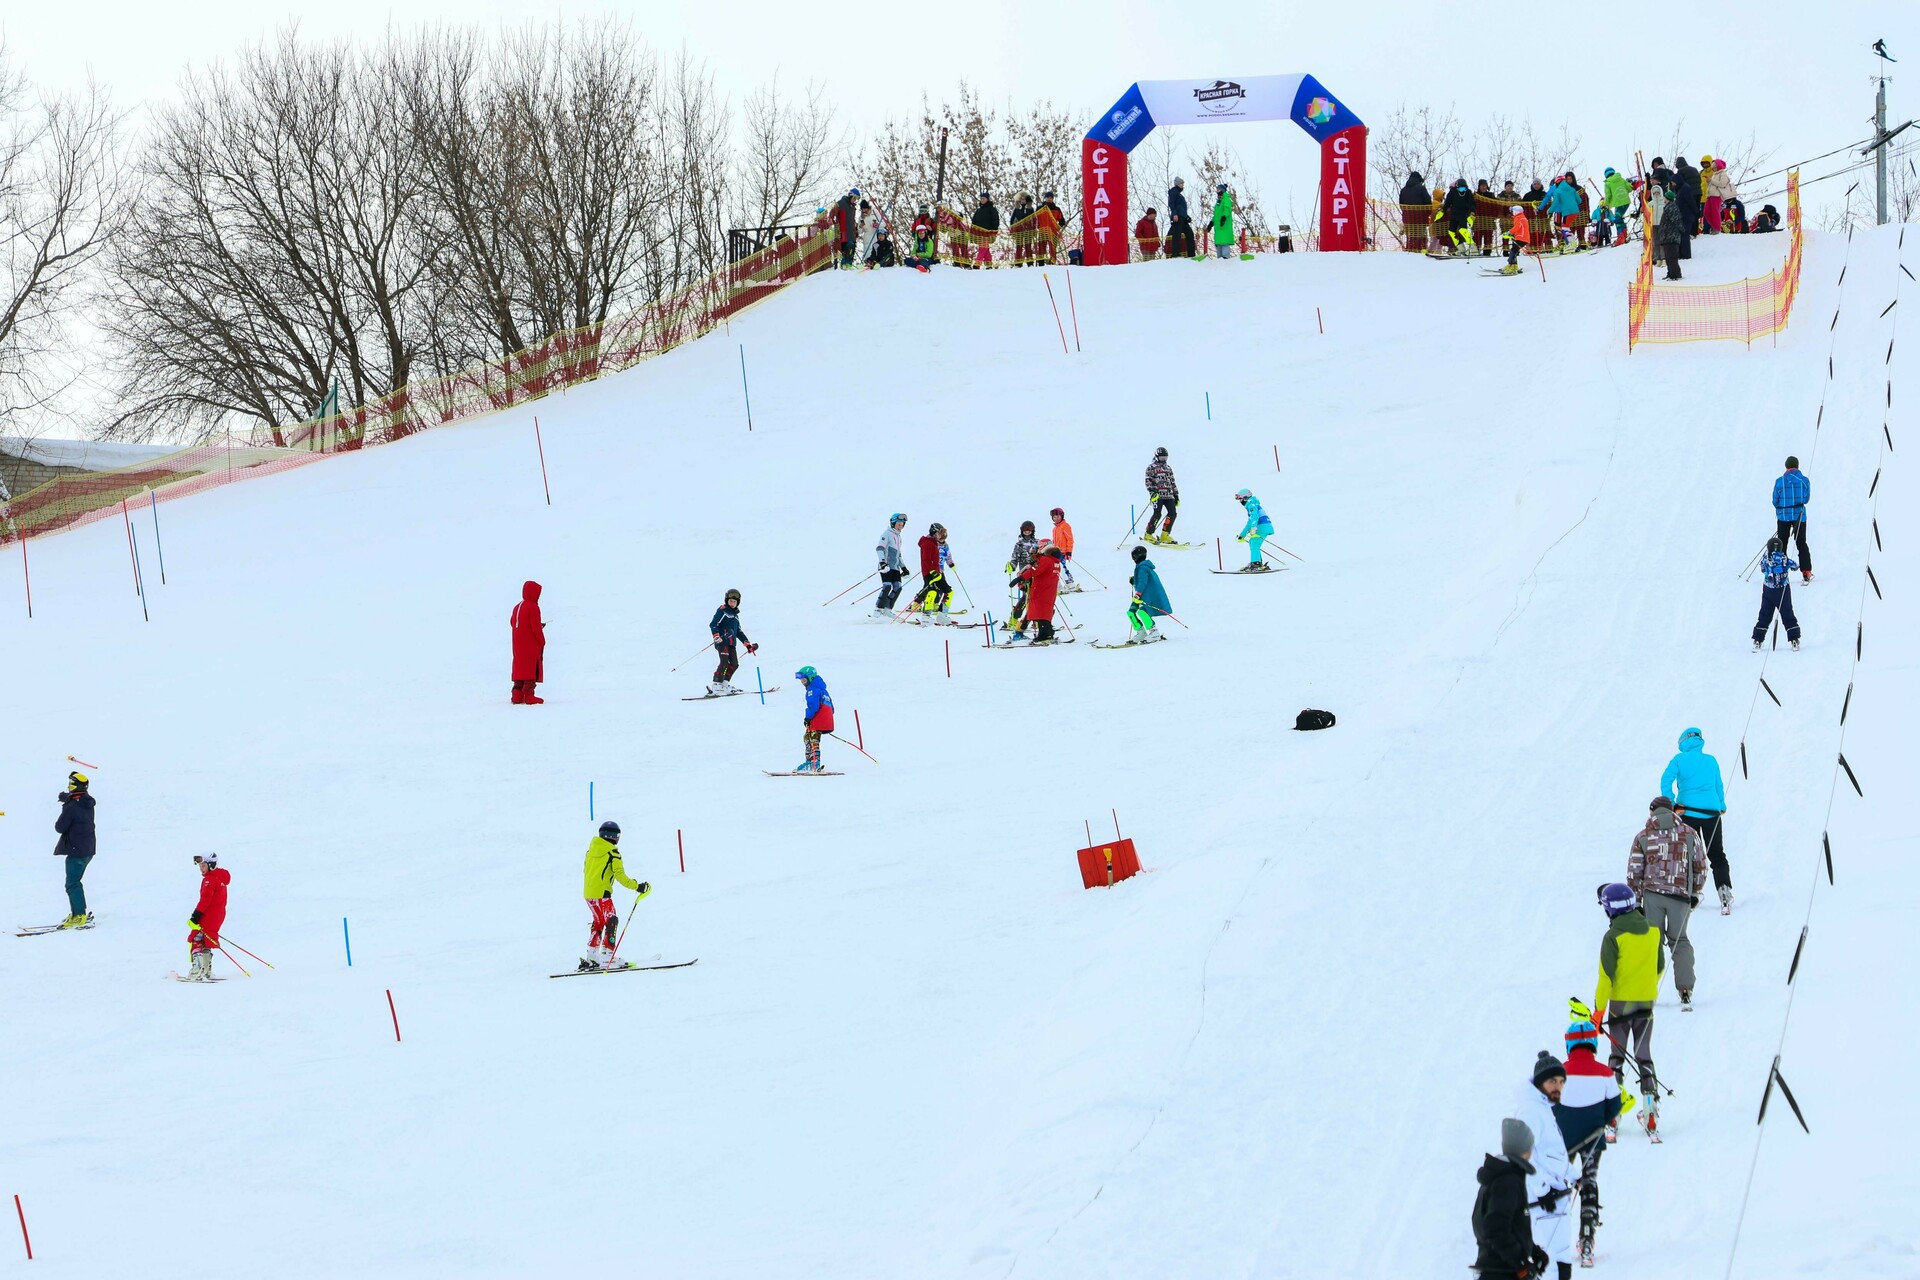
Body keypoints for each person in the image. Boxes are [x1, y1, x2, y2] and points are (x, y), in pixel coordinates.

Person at [1554, 1010, 1626, 1266]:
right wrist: (1601, 1120)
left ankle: (1552, 1234)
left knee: (1558, 1181)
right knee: (1589, 1180)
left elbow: (1549, 1104)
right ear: (1593, 1043)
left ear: (1569, 1043)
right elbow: (1615, 1105)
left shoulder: (1558, 1072)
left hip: (1563, 1141)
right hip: (1593, 1137)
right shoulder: (1606, 1073)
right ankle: (1587, 1238)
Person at [1626, 796, 1706, 1004]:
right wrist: (1696, 892)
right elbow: (1700, 865)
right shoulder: (1689, 833)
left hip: (1652, 895)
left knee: (1652, 942)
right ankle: (1685, 989)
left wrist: (1635, 902)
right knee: (1680, 940)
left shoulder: (1643, 836)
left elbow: (1635, 870)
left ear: (1653, 811)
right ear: (1672, 811)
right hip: (1680, 896)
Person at [1593, 883, 1664, 1113]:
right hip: (1646, 1001)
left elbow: (1606, 978)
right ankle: (1651, 1109)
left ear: (1609, 909)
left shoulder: (1613, 937)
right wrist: (1646, 986)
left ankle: (1613, 1112)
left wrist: (1598, 1012)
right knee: (1643, 1053)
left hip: (1620, 1005)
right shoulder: (1653, 931)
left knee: (1618, 1055)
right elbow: (1660, 966)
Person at [1510, 1052, 1576, 1280]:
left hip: (1557, 1201)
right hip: (1545, 1203)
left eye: (1561, 1081)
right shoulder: (1531, 1110)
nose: (1558, 1086)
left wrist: (1576, 1176)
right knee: (1551, 1267)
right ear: (1539, 1083)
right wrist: (1543, 1188)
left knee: (1562, 1264)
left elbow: (1552, 1154)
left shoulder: (1543, 1109)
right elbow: (1518, 1155)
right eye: (1552, 1081)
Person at [1660, 727, 1732, 911]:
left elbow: (1665, 780)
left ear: (1683, 742)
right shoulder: (1711, 760)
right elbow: (1718, 785)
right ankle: (1724, 891)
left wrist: (1672, 803)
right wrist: (1721, 805)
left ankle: (1690, 893)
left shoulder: (1679, 759)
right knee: (1716, 853)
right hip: (1711, 813)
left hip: (1687, 813)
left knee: (1688, 855)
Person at [1472, 1118, 1550, 1280]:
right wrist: (1519, 1261)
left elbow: (1511, 1225)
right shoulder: (1508, 1181)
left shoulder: (1497, 1176)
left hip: (1496, 1268)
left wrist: (1532, 1251)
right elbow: (1495, 1227)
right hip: (1502, 1271)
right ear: (1524, 1148)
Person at [579, 820, 649, 971]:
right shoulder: (613, 853)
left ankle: (592, 956)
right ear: (614, 836)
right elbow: (620, 876)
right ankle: (607, 956)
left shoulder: (591, 850)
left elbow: (586, 870)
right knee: (611, 920)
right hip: (602, 895)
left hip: (589, 894)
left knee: (598, 922)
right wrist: (638, 886)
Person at [54, 771, 97, 928]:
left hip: (76, 850)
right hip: (88, 849)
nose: (69, 786)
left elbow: (59, 827)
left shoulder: (71, 807)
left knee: (72, 883)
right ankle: (78, 913)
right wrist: (67, 798)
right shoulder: (87, 802)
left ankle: (79, 915)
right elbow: (77, 803)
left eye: (71, 784)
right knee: (75, 882)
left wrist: (67, 804)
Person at [1752, 536, 1803, 653]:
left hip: (1768, 590)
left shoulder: (1765, 559)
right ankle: (1794, 639)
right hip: (1783, 590)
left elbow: (1763, 570)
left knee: (1765, 614)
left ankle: (1758, 640)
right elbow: (1795, 566)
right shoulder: (1784, 559)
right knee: (1787, 613)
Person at [184, 852, 230, 982]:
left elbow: (205, 900)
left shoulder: (209, 880)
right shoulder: (221, 879)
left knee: (196, 938)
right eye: (200, 866)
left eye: (203, 866)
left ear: (211, 865)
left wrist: (195, 917)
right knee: (206, 940)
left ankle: (197, 971)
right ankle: (206, 971)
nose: (201, 869)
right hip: (218, 916)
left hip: (208, 915)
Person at [707, 589, 758, 695]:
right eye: (730, 601)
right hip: (722, 641)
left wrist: (747, 645)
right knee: (724, 662)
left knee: (734, 664)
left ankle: (724, 684)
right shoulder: (723, 610)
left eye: (734, 602)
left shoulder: (735, 616)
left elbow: (738, 632)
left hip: (731, 643)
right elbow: (713, 624)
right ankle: (716, 684)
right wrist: (716, 635)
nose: (732, 603)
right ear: (727, 601)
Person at [1016, 541, 1065, 643]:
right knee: (1043, 613)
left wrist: (1020, 578)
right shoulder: (1055, 563)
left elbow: (1035, 570)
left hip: (1041, 590)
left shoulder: (1046, 560)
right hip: (1048, 591)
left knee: (1039, 613)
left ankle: (1045, 635)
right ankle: (1047, 632)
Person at [1773, 455, 1812, 581]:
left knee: (1782, 544)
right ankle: (1806, 572)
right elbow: (1806, 499)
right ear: (1797, 466)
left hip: (1783, 516)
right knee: (1801, 543)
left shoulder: (1779, 481)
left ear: (1786, 466)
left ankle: (1781, 571)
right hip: (1799, 516)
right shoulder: (1805, 480)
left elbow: (1775, 501)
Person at [510, 580, 545, 704]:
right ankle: (529, 695)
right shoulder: (533, 607)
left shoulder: (517, 607)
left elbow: (512, 623)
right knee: (530, 667)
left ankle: (517, 695)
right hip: (530, 644)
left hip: (517, 644)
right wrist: (542, 641)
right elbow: (535, 628)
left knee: (520, 667)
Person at [1127, 545, 1171, 644]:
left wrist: (1138, 593)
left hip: (1145, 596)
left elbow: (1143, 582)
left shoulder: (1143, 567)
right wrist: (1134, 581)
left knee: (1142, 612)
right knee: (1131, 612)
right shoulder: (1142, 567)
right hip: (1142, 595)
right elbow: (1142, 581)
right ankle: (1141, 632)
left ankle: (1154, 632)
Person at [795, 665, 834, 772]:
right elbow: (832, 707)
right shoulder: (823, 691)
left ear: (811, 678)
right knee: (807, 737)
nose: (802, 682)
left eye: (804, 680)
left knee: (813, 738)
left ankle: (815, 762)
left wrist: (807, 718)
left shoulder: (812, 690)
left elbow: (813, 706)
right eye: (801, 680)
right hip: (826, 719)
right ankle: (809, 761)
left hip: (818, 718)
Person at [916, 522, 957, 621]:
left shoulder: (934, 543)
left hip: (938, 572)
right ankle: (926, 616)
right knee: (932, 592)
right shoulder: (927, 543)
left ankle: (942, 616)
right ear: (934, 532)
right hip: (930, 573)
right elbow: (926, 560)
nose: (941, 536)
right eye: (939, 533)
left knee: (949, 592)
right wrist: (932, 572)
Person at [1005, 520, 1039, 637]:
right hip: (1024, 575)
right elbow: (1014, 559)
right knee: (1027, 597)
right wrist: (1011, 566)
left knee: (1035, 597)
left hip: (1037, 573)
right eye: (1025, 530)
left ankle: (1036, 621)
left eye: (1029, 529)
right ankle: (1014, 620)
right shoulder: (1019, 545)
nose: (1027, 532)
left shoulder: (1037, 542)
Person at [876, 512, 909, 618]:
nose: (901, 526)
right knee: (887, 586)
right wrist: (882, 562)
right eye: (899, 523)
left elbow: (898, 555)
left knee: (898, 587)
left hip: (895, 567)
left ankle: (887, 609)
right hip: (886, 566)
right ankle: (878, 610)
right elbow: (880, 548)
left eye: (902, 524)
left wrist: (903, 567)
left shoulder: (899, 537)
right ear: (893, 523)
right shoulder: (887, 534)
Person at [1144, 447, 1179, 542]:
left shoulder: (1168, 468)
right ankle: (1148, 534)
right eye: (1162, 458)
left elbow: (1172, 481)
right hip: (1158, 496)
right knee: (1157, 514)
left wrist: (1176, 495)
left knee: (1172, 514)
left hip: (1169, 495)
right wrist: (1152, 492)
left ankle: (1165, 534)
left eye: (1165, 458)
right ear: (1156, 457)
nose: (1164, 460)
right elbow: (1148, 480)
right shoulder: (1151, 467)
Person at [1234, 488, 1274, 571]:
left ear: (1245, 498)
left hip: (1262, 526)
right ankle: (1257, 562)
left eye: (1240, 499)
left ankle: (1256, 564)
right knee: (1253, 542)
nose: (1240, 501)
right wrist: (1242, 535)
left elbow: (1254, 517)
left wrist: (1253, 528)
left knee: (1254, 543)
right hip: (1262, 526)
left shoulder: (1251, 504)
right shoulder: (1252, 504)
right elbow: (1250, 522)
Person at [1655, 187, 1687, 280]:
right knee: (1669, 257)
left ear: (1667, 198)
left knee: (1672, 257)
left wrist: (1680, 231)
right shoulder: (1669, 207)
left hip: (1671, 236)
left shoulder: (1672, 207)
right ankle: (1670, 273)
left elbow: (1676, 221)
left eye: (1664, 197)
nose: (1663, 199)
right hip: (1667, 236)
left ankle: (1675, 275)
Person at [1398, 170, 1431, 251]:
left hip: (1408, 218)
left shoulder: (1403, 190)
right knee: (1421, 236)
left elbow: (1401, 204)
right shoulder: (1422, 188)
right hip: (1420, 218)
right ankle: (1421, 250)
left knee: (1411, 237)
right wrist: (1427, 214)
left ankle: (1410, 250)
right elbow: (1428, 202)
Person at [1598, 168, 1633, 245]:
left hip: (1618, 204)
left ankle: (1621, 237)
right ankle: (1624, 235)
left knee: (1617, 219)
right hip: (1626, 202)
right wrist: (1631, 183)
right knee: (1619, 218)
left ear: (1606, 175)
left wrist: (1605, 204)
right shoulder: (1621, 179)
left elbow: (1608, 195)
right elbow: (1630, 189)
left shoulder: (1607, 183)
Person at [1442, 178, 1476, 254]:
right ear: (1457, 187)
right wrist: (1443, 210)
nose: (1462, 190)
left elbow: (1472, 203)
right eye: (1460, 188)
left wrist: (1472, 211)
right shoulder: (1452, 191)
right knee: (1451, 231)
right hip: (1454, 214)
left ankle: (1473, 247)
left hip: (1464, 213)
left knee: (1463, 230)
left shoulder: (1468, 192)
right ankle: (1461, 248)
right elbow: (1447, 202)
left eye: (1464, 188)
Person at [1672, 156, 1702, 238]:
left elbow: (1680, 183)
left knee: (1690, 212)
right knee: (1696, 211)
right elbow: (1700, 180)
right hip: (1699, 192)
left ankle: (1690, 232)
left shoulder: (1680, 171)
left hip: (1689, 193)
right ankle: (1695, 231)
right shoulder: (1694, 169)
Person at [1048, 507, 1077, 590]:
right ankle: (1058, 586)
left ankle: (1070, 583)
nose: (1056, 519)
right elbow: (1054, 541)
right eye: (1054, 517)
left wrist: (1069, 552)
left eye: (1058, 516)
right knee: (1055, 568)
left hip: (1063, 552)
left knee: (1062, 567)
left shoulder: (1065, 526)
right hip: (1056, 552)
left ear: (1062, 516)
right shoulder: (1055, 529)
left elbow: (1070, 539)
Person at [1499, 205, 1532, 275]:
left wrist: (1509, 232)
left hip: (1521, 238)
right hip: (1521, 237)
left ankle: (1512, 265)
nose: (1512, 212)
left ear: (1516, 212)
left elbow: (1517, 227)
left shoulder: (1519, 217)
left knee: (1513, 250)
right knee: (1514, 250)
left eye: (1513, 211)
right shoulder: (1521, 217)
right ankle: (1512, 265)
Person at [1166, 178, 1195, 258]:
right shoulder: (1173, 192)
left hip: (1183, 217)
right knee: (1177, 235)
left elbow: (1181, 208)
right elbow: (1171, 203)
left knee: (1189, 234)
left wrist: (1187, 217)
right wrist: (1174, 214)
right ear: (1177, 184)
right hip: (1178, 217)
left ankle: (1191, 254)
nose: (1183, 186)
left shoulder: (1179, 194)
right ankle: (1175, 254)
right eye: (1181, 184)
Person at [969, 192, 999, 267]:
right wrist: (972, 233)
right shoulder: (978, 211)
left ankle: (977, 264)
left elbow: (996, 220)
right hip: (979, 233)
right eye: (981, 198)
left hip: (988, 232)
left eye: (983, 198)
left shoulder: (992, 209)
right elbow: (974, 222)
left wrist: (993, 231)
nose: (982, 200)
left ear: (987, 199)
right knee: (985, 249)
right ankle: (989, 265)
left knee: (982, 248)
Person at [1706, 159, 1735, 234]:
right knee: (1706, 212)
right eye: (1713, 168)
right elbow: (1713, 185)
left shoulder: (1723, 173)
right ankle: (1714, 227)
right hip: (1710, 195)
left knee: (1715, 212)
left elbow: (1723, 183)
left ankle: (1717, 228)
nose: (1713, 169)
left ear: (1718, 166)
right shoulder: (1715, 174)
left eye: (1714, 167)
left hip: (1717, 195)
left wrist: (1711, 181)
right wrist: (1708, 182)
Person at [1035, 190, 1065, 262]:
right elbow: (1035, 219)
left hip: (1053, 232)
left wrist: (1057, 228)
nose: (1049, 199)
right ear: (1045, 198)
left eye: (1051, 197)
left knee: (1053, 249)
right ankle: (1041, 264)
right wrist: (1036, 227)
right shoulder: (1039, 208)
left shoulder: (1057, 209)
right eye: (1048, 197)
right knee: (1041, 249)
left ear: (1053, 199)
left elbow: (1062, 221)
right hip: (1042, 231)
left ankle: (1052, 263)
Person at [1009, 192, 1036, 265]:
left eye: (1024, 199)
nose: (1022, 200)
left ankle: (1030, 263)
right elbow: (1012, 219)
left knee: (1028, 246)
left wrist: (1033, 229)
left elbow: (1034, 219)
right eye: (1021, 199)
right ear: (1019, 200)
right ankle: (1018, 263)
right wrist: (1012, 228)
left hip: (1028, 230)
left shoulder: (1030, 209)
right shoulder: (1016, 209)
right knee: (1019, 246)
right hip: (1019, 230)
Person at [834, 188, 859, 267]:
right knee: (846, 249)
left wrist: (855, 230)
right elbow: (832, 213)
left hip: (851, 233)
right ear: (850, 195)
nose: (855, 200)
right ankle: (844, 265)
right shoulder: (841, 203)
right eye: (854, 198)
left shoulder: (852, 207)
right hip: (844, 233)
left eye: (856, 199)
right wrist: (833, 222)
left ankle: (849, 265)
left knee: (852, 249)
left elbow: (852, 220)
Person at [1211, 182, 1236, 259]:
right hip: (1218, 228)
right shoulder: (1219, 201)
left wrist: (1224, 217)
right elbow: (1216, 214)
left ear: (1222, 190)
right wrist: (1211, 222)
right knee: (1219, 245)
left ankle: (1226, 260)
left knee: (1224, 244)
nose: (1217, 191)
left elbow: (1227, 209)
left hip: (1224, 226)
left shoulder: (1226, 199)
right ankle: (1220, 261)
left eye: (1218, 189)